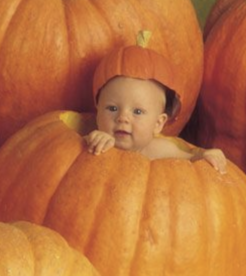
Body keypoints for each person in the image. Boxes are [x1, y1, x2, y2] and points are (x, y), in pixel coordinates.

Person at [84, 32, 227, 172]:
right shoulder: (95, 140)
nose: (122, 118)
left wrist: (205, 155)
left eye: (137, 112)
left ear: (158, 124)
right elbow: (74, 157)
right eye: (112, 108)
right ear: (98, 112)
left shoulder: (160, 150)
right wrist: (95, 142)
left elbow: (192, 159)